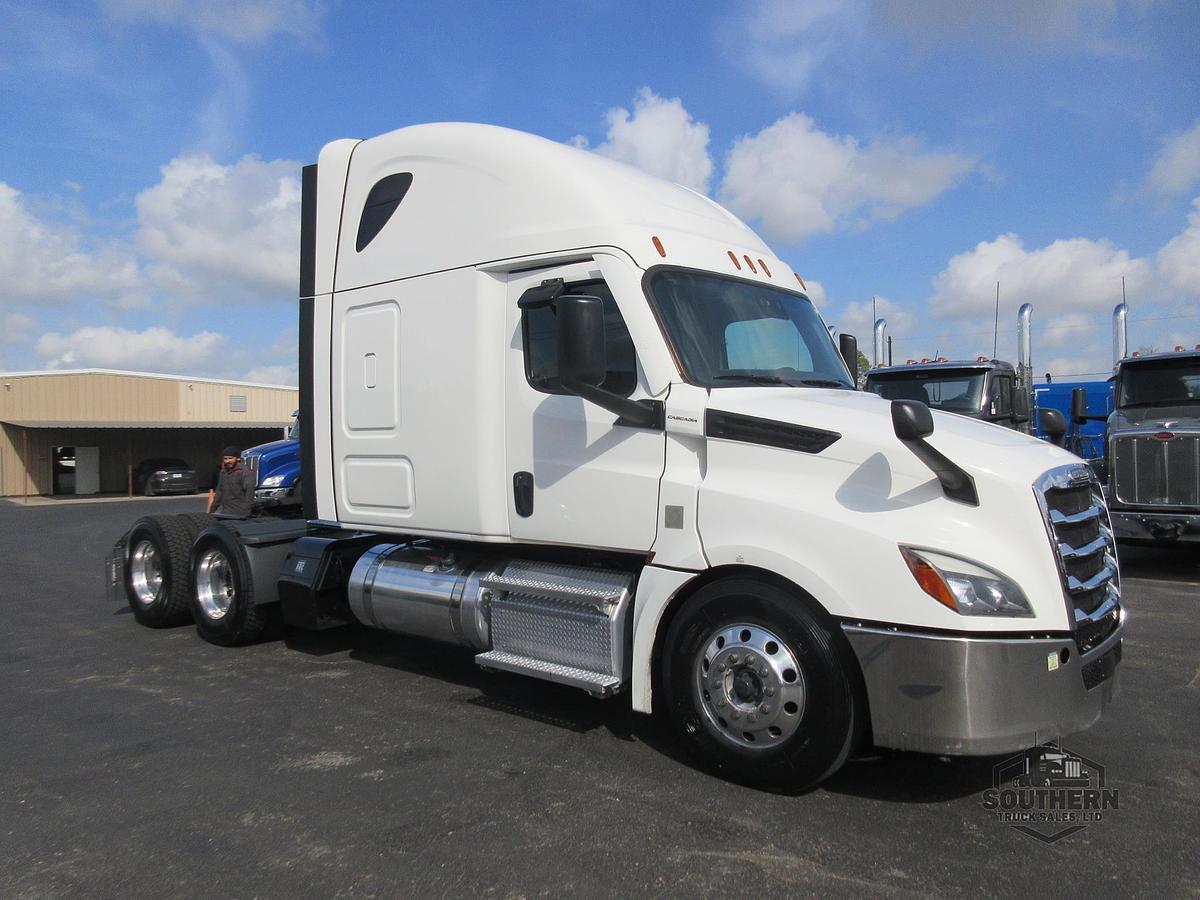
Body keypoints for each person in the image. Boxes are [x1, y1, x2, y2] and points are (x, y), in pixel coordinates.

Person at [207, 446, 255, 517]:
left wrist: (246, 514)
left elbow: (249, 495)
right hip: (224, 511)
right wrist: (211, 512)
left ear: (238, 458)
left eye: (230, 458)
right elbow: (219, 493)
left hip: (239, 513)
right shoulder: (223, 472)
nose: (227, 461)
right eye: (225, 458)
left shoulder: (245, 473)